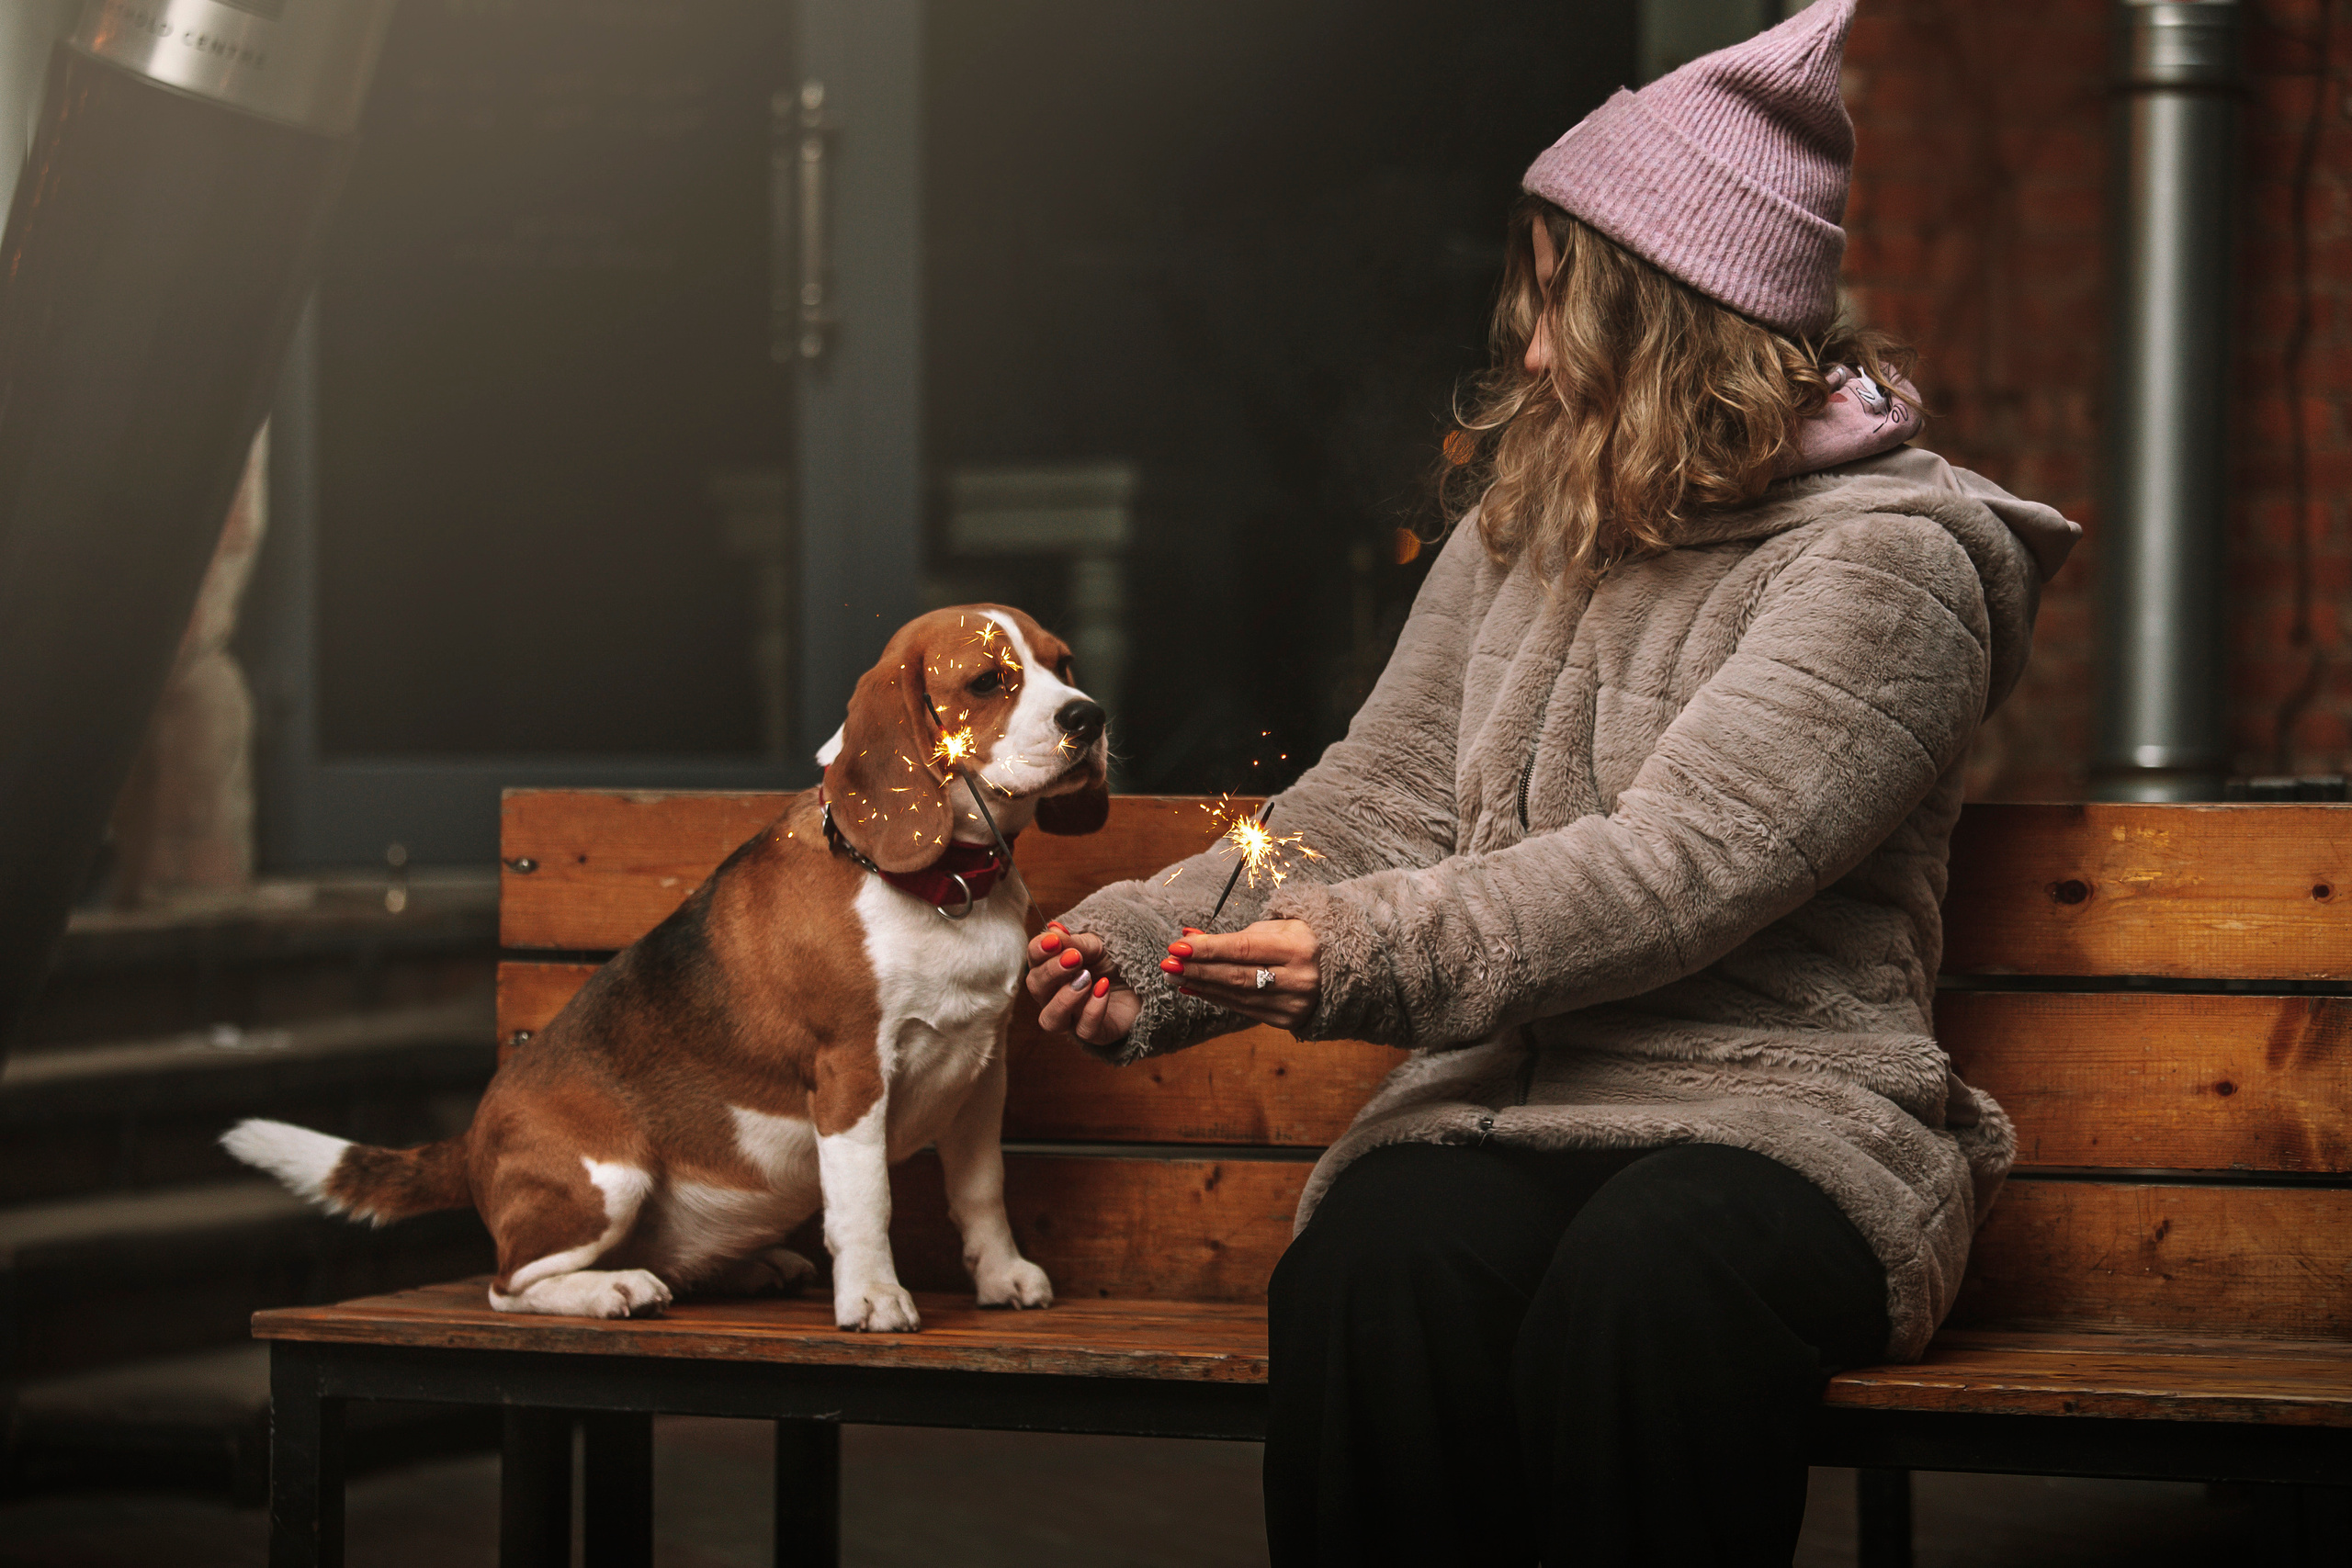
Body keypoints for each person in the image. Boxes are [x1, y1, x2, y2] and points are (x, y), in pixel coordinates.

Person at [1024, 2, 2079, 1562]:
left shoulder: (1888, 573)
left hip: (1783, 1124)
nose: (1527, 348)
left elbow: (1683, 863)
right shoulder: (1528, 530)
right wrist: (1149, 950)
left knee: (1647, 1288)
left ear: (1682, 327)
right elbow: (1375, 799)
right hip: (1509, 1107)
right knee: (1375, 1264)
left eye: (1565, 307)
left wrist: (1376, 954)